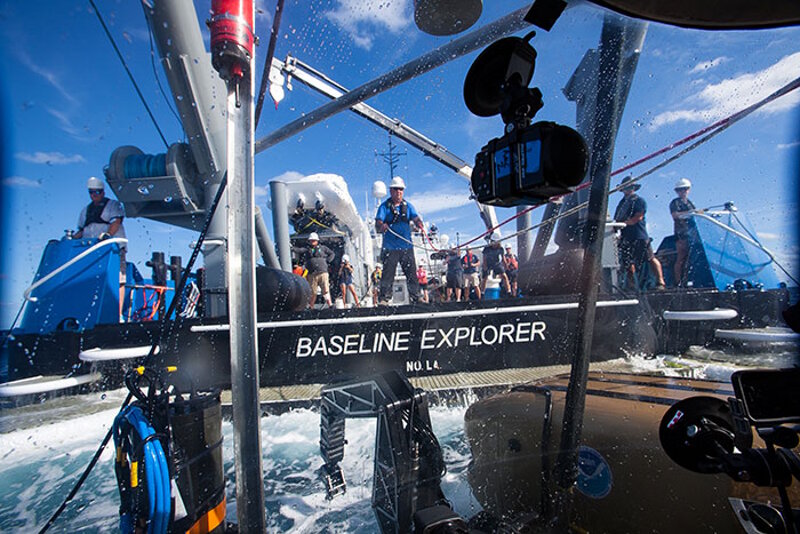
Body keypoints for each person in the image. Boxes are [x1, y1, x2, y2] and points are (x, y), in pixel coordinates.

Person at [74, 176, 127, 315]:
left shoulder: (113, 206)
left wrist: (108, 235)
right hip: (91, 250)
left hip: (113, 249)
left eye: (97, 192)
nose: (94, 195)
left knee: (118, 279)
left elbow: (116, 222)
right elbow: (81, 230)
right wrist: (69, 239)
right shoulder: (85, 210)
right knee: (91, 280)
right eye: (91, 192)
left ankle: (118, 313)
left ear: (103, 192)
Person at [375, 176, 424, 304]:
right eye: (396, 189)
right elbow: (378, 223)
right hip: (390, 247)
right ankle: (384, 299)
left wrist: (419, 224)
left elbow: (415, 217)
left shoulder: (409, 206)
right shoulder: (384, 207)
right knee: (387, 275)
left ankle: (417, 297)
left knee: (411, 273)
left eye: (401, 189)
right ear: (391, 190)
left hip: (406, 246)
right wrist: (382, 226)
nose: (399, 192)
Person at [613, 176, 666, 290]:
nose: (628, 189)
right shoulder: (621, 203)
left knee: (650, 258)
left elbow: (638, 217)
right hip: (626, 236)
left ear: (633, 188)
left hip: (639, 235)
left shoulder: (639, 201)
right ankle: (631, 287)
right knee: (628, 263)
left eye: (630, 187)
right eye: (626, 187)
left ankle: (660, 282)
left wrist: (625, 223)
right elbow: (617, 218)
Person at [669, 178, 699, 287]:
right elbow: (675, 215)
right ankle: (678, 282)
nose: (682, 192)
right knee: (681, 257)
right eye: (680, 190)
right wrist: (690, 213)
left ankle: (688, 280)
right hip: (681, 234)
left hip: (692, 234)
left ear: (688, 190)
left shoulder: (690, 203)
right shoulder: (675, 203)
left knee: (689, 258)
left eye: (684, 189)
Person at [294, 232, 335, 308]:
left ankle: (330, 305)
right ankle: (311, 306)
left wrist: (327, 261)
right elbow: (300, 250)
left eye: (314, 240)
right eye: (311, 240)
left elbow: (332, 254)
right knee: (313, 292)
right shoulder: (307, 249)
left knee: (325, 290)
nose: (312, 242)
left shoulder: (323, 248)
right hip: (312, 274)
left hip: (323, 272)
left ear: (317, 240)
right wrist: (292, 248)